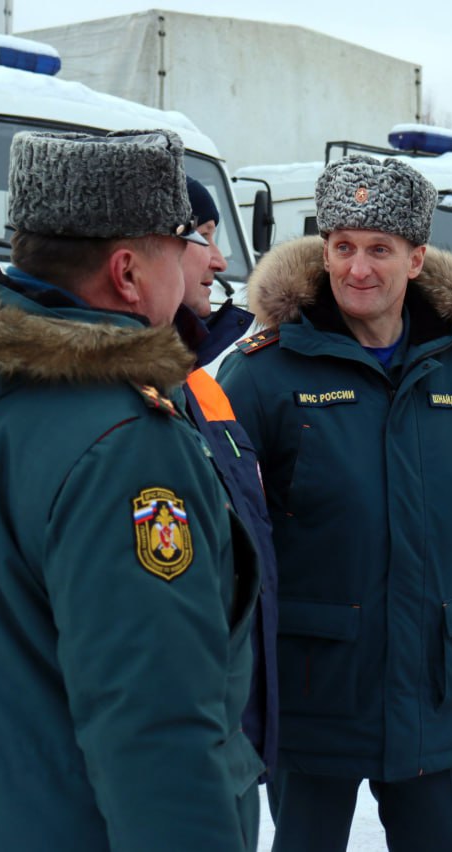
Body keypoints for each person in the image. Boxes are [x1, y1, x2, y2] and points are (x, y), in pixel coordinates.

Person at [0, 129, 263, 851]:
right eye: (184, 239)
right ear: (127, 272)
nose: (205, 260)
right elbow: (156, 728)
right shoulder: (125, 444)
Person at [219, 154, 452, 852]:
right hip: (313, 688)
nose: (357, 268)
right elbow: (227, 543)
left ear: (417, 259)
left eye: (379, 249)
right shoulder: (263, 374)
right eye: (342, 247)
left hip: (438, 686)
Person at [179, 176, 279, 776]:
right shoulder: (118, 399)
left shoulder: (198, 383)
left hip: (230, 735)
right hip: (194, 751)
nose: (220, 262)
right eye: (205, 237)